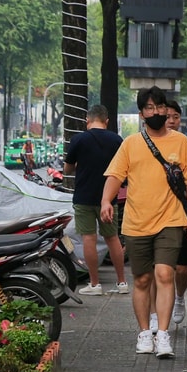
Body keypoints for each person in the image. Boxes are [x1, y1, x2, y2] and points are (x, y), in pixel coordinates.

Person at [101, 87, 187, 358]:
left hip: (171, 220)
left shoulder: (181, 142)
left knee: (164, 274)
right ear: (141, 113)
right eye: (149, 108)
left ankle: (163, 335)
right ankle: (145, 332)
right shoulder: (131, 143)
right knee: (143, 279)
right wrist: (105, 202)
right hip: (136, 222)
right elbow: (114, 175)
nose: (156, 112)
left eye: (159, 107)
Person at [64, 105, 128, 297]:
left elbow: (67, 169)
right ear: (106, 121)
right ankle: (122, 282)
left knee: (88, 238)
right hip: (109, 198)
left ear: (87, 120)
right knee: (112, 238)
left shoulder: (79, 139)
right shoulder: (117, 140)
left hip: (84, 197)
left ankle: (94, 284)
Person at [145, 100, 187, 332]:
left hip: (183, 213)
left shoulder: (186, 145)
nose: (172, 120)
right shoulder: (147, 144)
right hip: (156, 217)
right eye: (168, 116)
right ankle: (155, 313)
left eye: (176, 116)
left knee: (182, 268)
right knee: (159, 268)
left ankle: (179, 297)